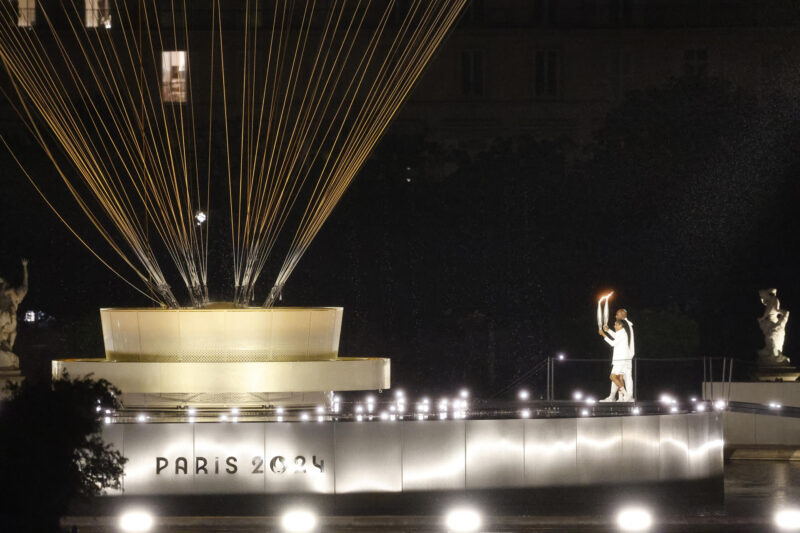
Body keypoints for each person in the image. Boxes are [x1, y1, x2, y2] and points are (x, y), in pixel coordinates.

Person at [598, 318, 633, 402]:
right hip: (621, 359)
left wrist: (603, 334)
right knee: (619, 378)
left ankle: (626, 394)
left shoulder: (622, 333)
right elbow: (615, 336)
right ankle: (621, 398)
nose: (614, 326)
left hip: (620, 359)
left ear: (620, 325)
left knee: (612, 377)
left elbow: (613, 343)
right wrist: (608, 330)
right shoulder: (621, 332)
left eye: (615, 324)